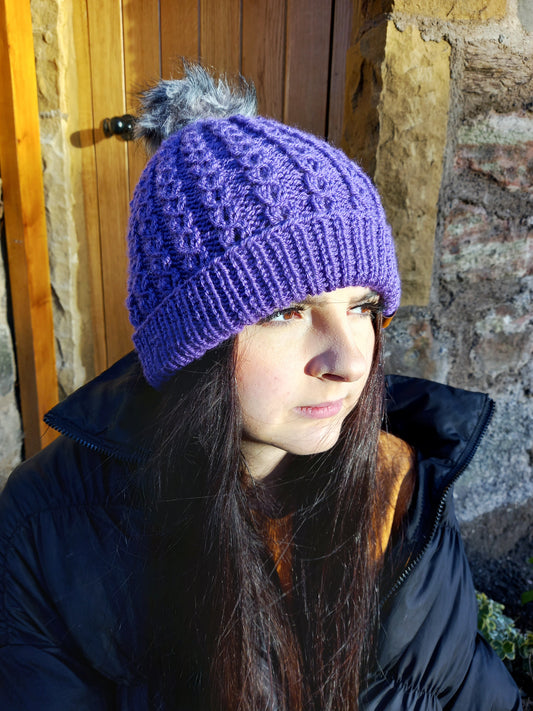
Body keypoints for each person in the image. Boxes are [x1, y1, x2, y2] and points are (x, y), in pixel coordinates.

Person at [0, 64, 522, 710]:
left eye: (361, 305)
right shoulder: (51, 531)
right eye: (284, 311)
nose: (349, 360)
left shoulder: (397, 489)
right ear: (190, 343)